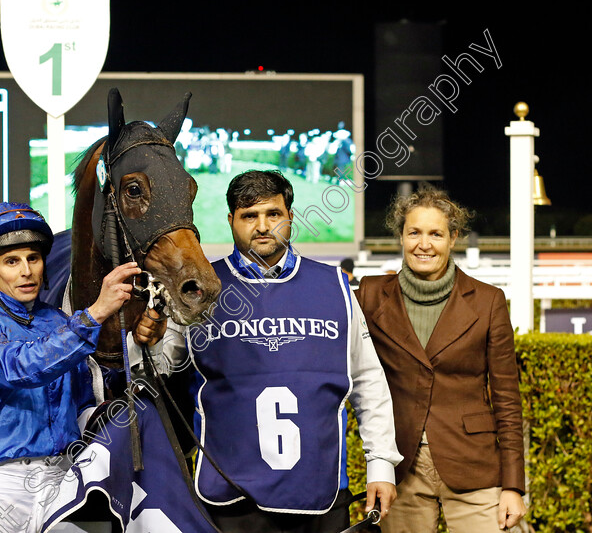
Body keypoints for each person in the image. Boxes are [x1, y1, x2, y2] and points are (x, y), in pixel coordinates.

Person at [184, 170, 401, 532]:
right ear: (230, 221)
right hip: (229, 496)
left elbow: (367, 380)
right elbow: (165, 367)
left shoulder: (335, 286)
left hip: (320, 492)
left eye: (273, 214)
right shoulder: (200, 290)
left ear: (291, 218)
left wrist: (381, 464)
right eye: (249, 216)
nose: (262, 226)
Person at [0, 202, 150, 533]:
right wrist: (97, 312)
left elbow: (86, 400)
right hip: (0, 485)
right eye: (11, 261)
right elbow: (18, 368)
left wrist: (143, 341)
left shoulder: (59, 321)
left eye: (33, 258)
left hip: (64, 477)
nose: (26, 271)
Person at [355, 188, 526, 532]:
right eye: (414, 232)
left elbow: (507, 401)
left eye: (436, 234)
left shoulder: (488, 301)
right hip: (401, 470)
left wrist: (513, 486)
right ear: (401, 236)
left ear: (453, 238)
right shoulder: (369, 296)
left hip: (474, 465)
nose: (424, 244)